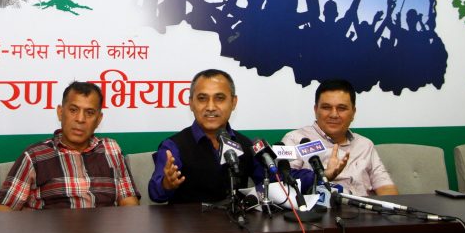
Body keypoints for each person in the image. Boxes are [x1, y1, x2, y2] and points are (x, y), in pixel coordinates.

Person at [148, 69, 345, 204]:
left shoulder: (247, 145)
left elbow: (276, 179)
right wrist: (167, 184)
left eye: (220, 98)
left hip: (237, 232)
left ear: (233, 103)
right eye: (202, 99)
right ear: (191, 103)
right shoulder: (173, 146)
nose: (210, 107)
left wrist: (320, 175)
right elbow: (155, 194)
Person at [0, 81, 140, 210]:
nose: (80, 119)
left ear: (99, 120)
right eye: (73, 110)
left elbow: (129, 202)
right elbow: (2, 209)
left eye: (89, 113)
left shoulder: (111, 149)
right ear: (60, 112)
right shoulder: (35, 156)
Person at [282, 79, 398, 196]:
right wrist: (323, 175)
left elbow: (385, 186)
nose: (334, 115)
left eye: (341, 108)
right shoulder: (295, 139)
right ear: (316, 110)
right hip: (320, 207)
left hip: (364, 206)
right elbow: (281, 180)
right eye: (326, 107)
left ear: (353, 112)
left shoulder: (365, 145)